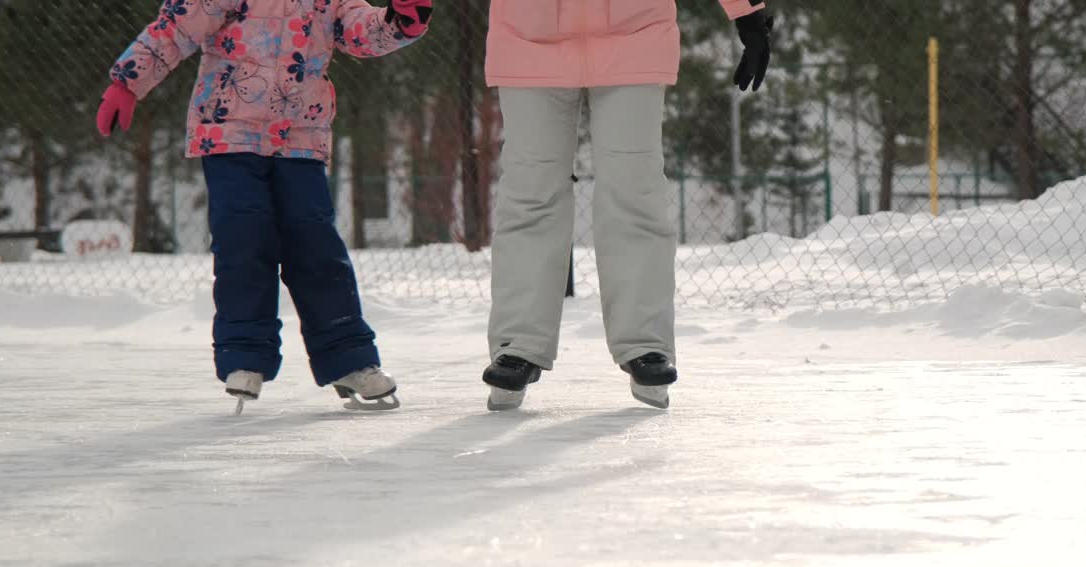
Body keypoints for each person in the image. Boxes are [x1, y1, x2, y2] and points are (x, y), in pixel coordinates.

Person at [97, 0, 433, 414]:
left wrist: (400, 22)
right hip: (229, 132)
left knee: (317, 251)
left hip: (300, 137)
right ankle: (244, 357)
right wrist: (127, 82)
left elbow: (359, 32)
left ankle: (349, 359)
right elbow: (176, 29)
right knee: (244, 242)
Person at [480, 0, 774, 411]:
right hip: (528, 34)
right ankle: (518, 347)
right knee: (530, 196)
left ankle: (645, 346)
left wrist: (748, 15)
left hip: (635, 33)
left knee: (635, 192)